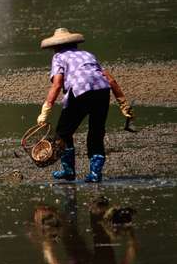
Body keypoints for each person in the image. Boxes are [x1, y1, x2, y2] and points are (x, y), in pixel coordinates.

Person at [36, 28, 134, 183]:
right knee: (96, 132)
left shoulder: (58, 56)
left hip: (81, 91)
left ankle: (68, 171)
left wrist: (46, 110)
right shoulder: (88, 55)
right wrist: (123, 104)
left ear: (55, 47)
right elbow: (110, 79)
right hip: (102, 91)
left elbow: (57, 84)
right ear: (75, 44)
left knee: (63, 133)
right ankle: (95, 174)